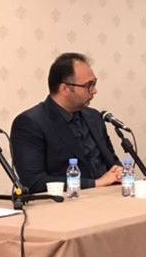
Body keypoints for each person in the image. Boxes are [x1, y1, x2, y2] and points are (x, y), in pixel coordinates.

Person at [11, 52, 122, 194]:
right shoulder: (30, 123)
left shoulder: (94, 117)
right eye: (89, 85)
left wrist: (119, 172)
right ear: (65, 89)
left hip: (110, 196)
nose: (94, 91)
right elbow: (34, 182)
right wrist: (95, 184)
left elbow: (112, 162)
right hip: (68, 202)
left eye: (94, 83)